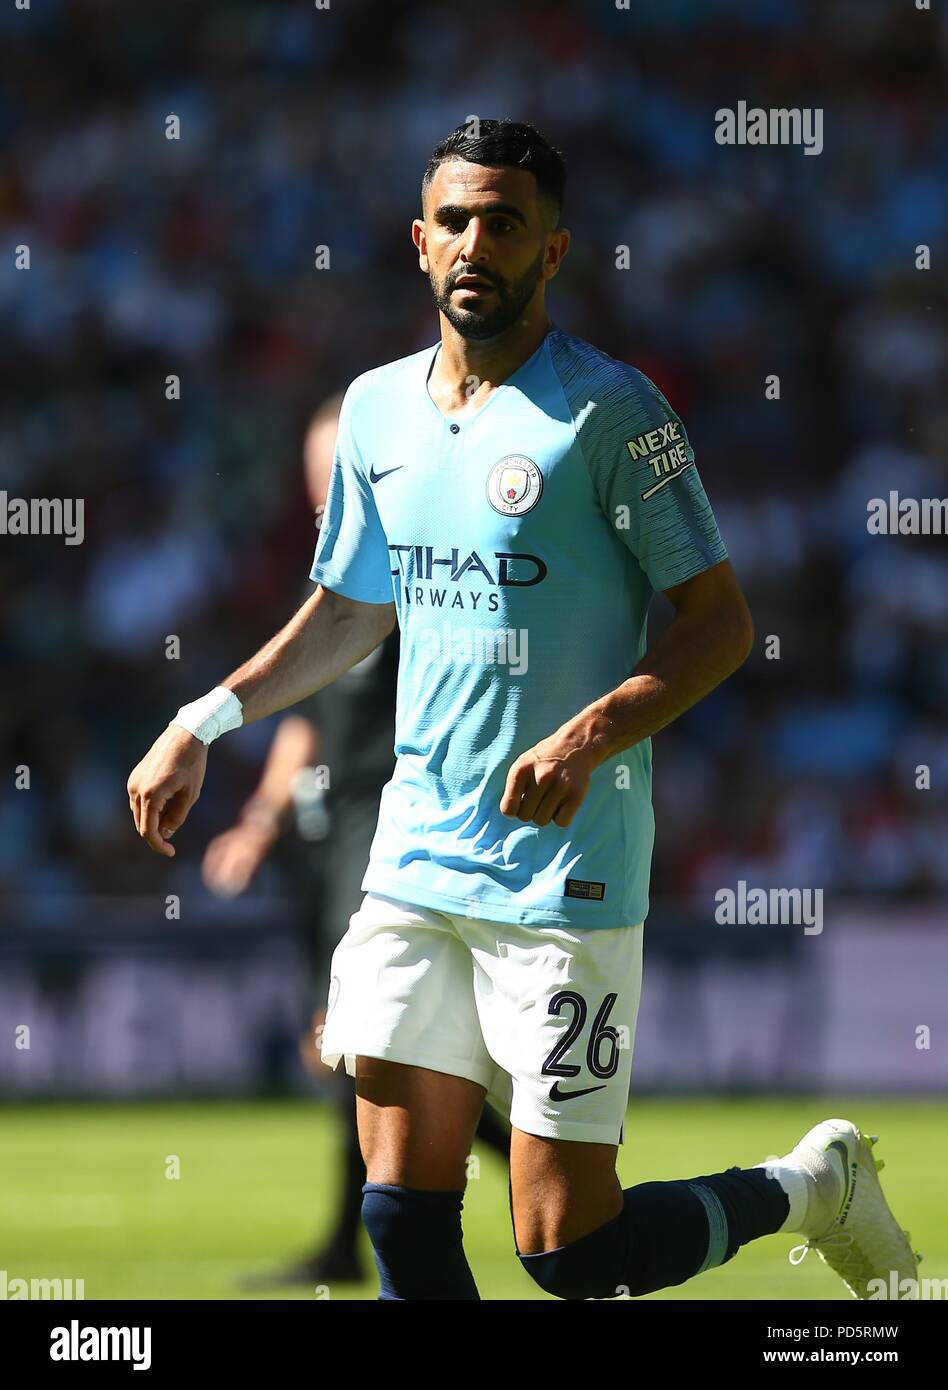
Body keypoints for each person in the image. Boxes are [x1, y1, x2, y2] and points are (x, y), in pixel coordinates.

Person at [128, 119, 918, 1301]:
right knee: (400, 1215)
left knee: (568, 1253)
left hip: (565, 874)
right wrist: (203, 718)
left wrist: (589, 734)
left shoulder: (615, 415)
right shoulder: (377, 416)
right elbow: (348, 613)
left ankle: (815, 1185)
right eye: (456, 219)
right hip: (413, 859)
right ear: (417, 240)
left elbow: (720, 624)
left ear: (553, 251)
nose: (475, 244)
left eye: (506, 222)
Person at [200, 398, 510, 1288]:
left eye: (337, 468)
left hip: (392, 830)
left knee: (350, 1037)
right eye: (315, 472)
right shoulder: (333, 590)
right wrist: (259, 823)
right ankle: (380, 1227)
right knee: (349, 1046)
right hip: (326, 837)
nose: (322, 489)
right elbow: (311, 723)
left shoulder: (425, 580)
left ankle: (525, 1164)